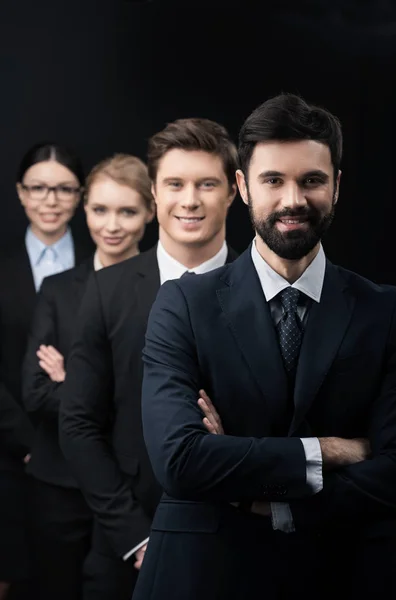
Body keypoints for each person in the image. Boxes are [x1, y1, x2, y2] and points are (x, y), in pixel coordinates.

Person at [135, 94, 396, 600]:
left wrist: (263, 495)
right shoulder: (182, 305)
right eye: (273, 180)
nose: (292, 199)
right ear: (243, 187)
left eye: (312, 180)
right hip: (201, 573)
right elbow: (181, 461)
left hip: (344, 570)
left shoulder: (386, 312)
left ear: (337, 187)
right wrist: (328, 451)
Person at [59, 118, 238, 600]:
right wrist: (136, 538)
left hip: (239, 542)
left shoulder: (262, 291)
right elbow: (77, 424)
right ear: (155, 194)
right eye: (175, 184)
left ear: (233, 192)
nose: (191, 200)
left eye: (207, 184)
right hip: (126, 547)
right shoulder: (106, 291)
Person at [21, 154, 154, 600]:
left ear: (151, 211)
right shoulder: (58, 290)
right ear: (85, 210)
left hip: (129, 489)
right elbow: (37, 393)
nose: (111, 225)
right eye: (100, 210)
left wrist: (75, 381)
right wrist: (111, 392)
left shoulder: (167, 289)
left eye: (127, 211)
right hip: (59, 486)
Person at [0, 142, 90, 599]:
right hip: (9, 454)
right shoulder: (2, 269)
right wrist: (26, 442)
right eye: (38, 188)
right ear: (20, 193)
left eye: (62, 189)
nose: (50, 200)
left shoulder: (104, 262)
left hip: (85, 453)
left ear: (79, 196)